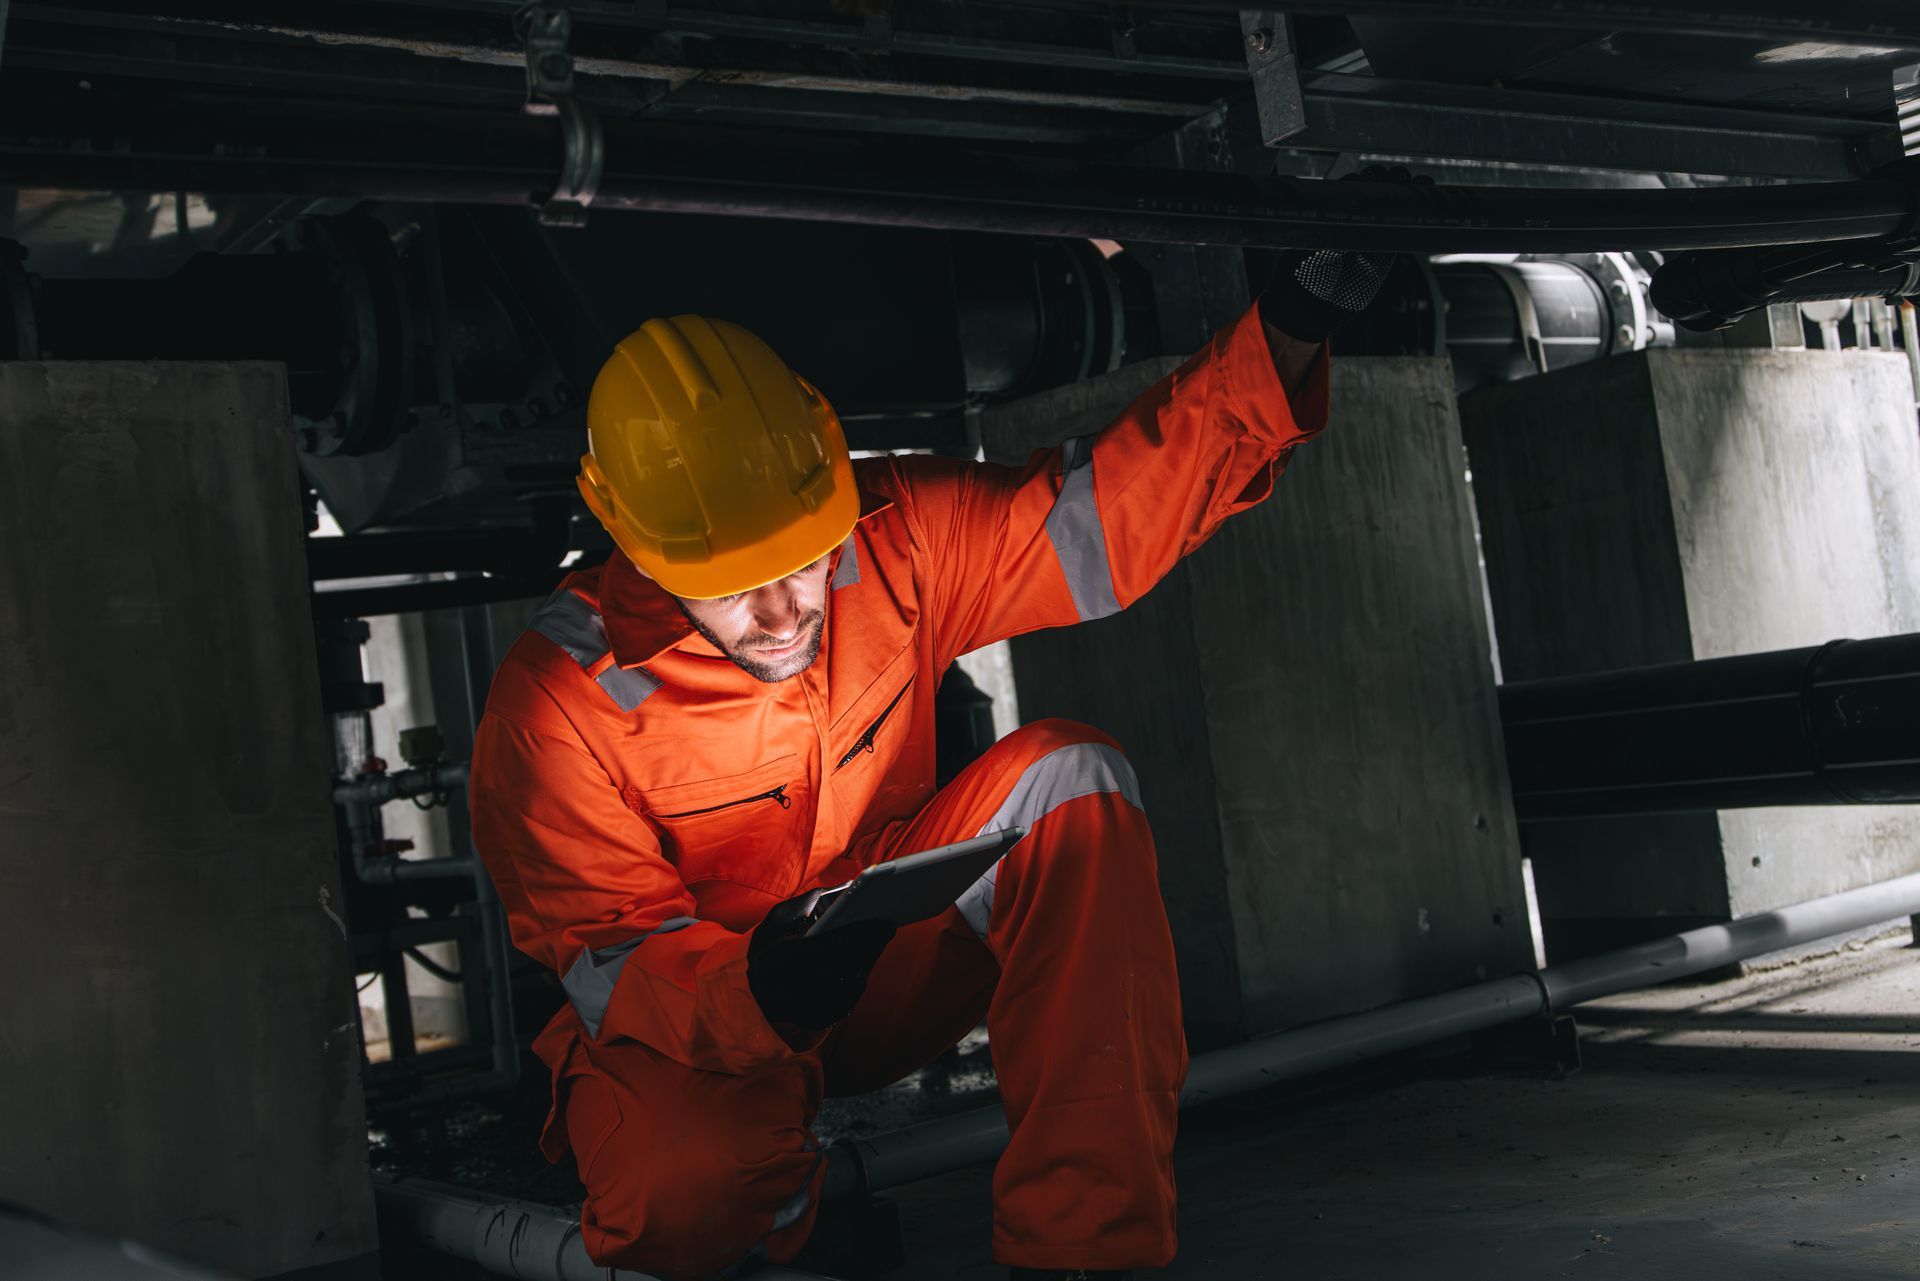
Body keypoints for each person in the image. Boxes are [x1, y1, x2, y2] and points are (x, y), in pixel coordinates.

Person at [469, 245, 1393, 1281]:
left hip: (882, 968)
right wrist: (761, 987)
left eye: (802, 562)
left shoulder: (894, 538)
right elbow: (613, 967)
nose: (783, 616)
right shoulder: (553, 708)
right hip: (699, 1036)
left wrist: (1291, 329)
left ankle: (1082, 1254)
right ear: (637, 547)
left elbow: (1103, 518)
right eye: (734, 587)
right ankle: (776, 1201)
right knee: (685, 1204)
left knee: (1073, 781)